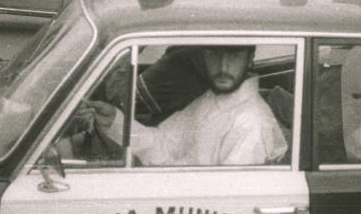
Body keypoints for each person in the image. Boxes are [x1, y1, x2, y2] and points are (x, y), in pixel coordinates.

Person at [76, 46, 287, 166]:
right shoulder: (212, 99)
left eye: (234, 56)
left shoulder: (250, 124)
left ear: (250, 59)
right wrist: (115, 122)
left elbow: (223, 204)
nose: (223, 67)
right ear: (204, 56)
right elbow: (165, 144)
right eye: (215, 54)